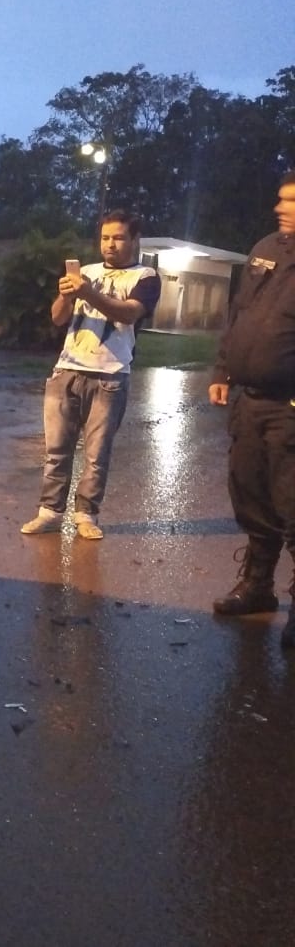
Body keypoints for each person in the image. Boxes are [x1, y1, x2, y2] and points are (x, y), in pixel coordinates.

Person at [20, 211, 160, 540]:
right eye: (105, 238)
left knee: (97, 454)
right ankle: (50, 513)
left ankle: (86, 514)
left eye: (119, 237)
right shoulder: (84, 272)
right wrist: (67, 295)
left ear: (134, 240)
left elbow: (128, 313)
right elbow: (57, 319)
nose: (110, 244)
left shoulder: (146, 276)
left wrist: (87, 293)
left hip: (110, 374)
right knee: (56, 450)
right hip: (67, 369)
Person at [207, 171, 295, 649]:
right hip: (251, 403)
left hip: (291, 408)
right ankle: (258, 587)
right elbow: (238, 313)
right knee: (251, 498)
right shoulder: (267, 247)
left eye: (292, 202)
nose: (280, 208)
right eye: (280, 199)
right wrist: (223, 371)